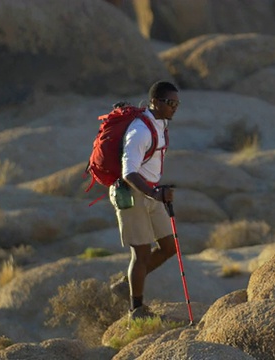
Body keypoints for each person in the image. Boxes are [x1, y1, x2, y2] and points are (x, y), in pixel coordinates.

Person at [109, 81, 180, 320]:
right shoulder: (140, 131)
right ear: (155, 102)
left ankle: (126, 284)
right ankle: (136, 309)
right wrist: (155, 194)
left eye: (177, 104)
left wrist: (156, 191)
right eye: (170, 103)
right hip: (133, 194)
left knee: (169, 247)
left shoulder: (161, 124)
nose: (174, 108)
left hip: (151, 191)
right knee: (141, 254)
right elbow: (129, 172)